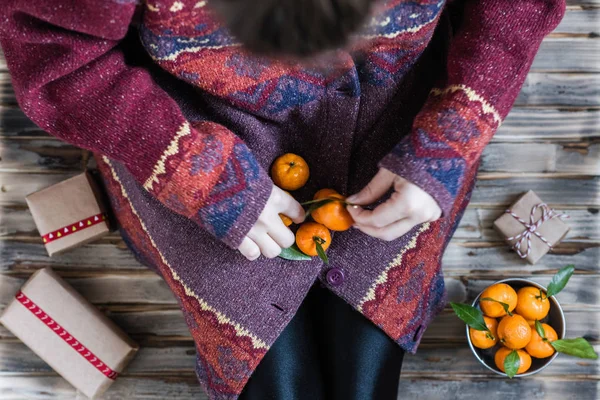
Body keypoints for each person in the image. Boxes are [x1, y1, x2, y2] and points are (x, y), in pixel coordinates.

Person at [0, 0, 565, 398]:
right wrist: (200, 175)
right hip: (189, 120)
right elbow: (55, 57)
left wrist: (452, 133)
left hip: (397, 106)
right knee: (265, 362)